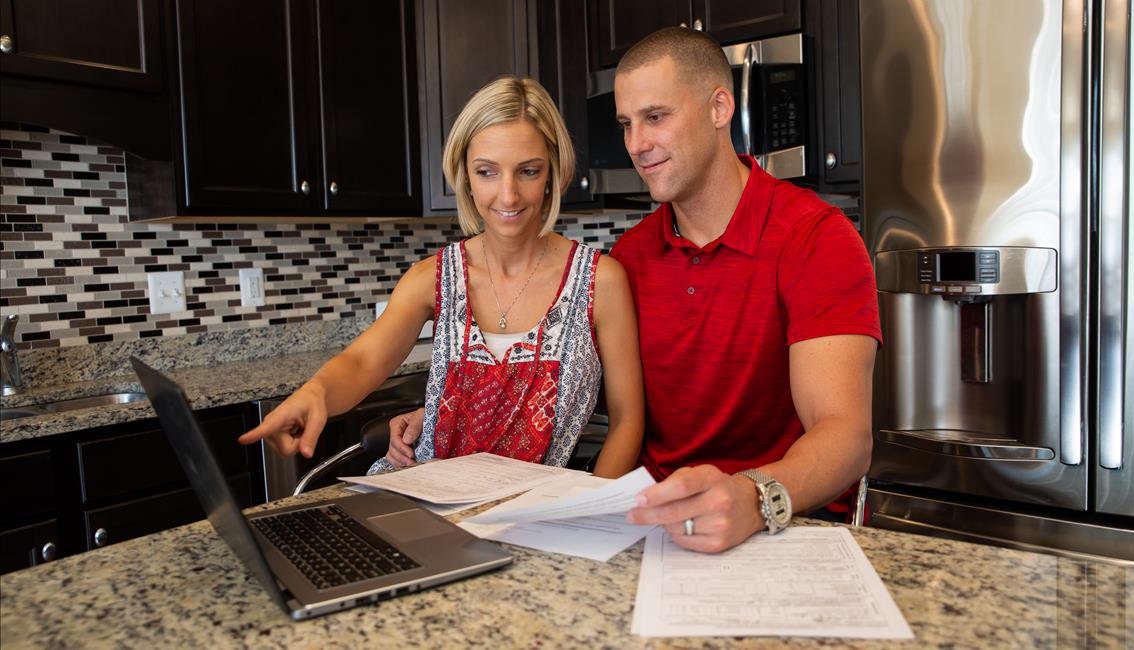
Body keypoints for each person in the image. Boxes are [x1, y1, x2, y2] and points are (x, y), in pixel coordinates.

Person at [239, 76, 644, 479]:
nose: (508, 196)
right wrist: (316, 394)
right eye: (486, 172)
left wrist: (583, 508)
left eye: (528, 171)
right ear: (464, 175)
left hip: (533, 518)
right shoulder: (431, 278)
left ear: (553, 172)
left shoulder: (599, 281)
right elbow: (361, 361)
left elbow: (627, 422)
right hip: (427, 506)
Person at [610, 27, 881, 552]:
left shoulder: (816, 238)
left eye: (656, 117)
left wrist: (754, 498)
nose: (637, 145)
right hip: (657, 528)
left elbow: (846, 434)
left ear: (719, 108)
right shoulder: (629, 258)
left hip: (786, 522)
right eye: (627, 123)